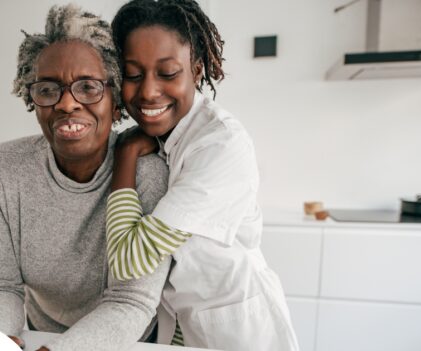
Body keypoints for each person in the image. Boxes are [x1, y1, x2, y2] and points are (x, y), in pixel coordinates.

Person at [0, 5, 170, 351]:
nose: (66, 104)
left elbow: (130, 301)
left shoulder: (148, 173)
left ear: (115, 100)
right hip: (39, 333)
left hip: (127, 341)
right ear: (34, 101)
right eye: (48, 89)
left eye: (87, 87)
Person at [103, 0, 300, 350]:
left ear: (196, 71)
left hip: (236, 332)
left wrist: (126, 154)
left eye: (167, 73)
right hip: (181, 327)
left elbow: (129, 258)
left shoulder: (221, 144)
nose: (148, 91)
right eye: (133, 75)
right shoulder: (163, 134)